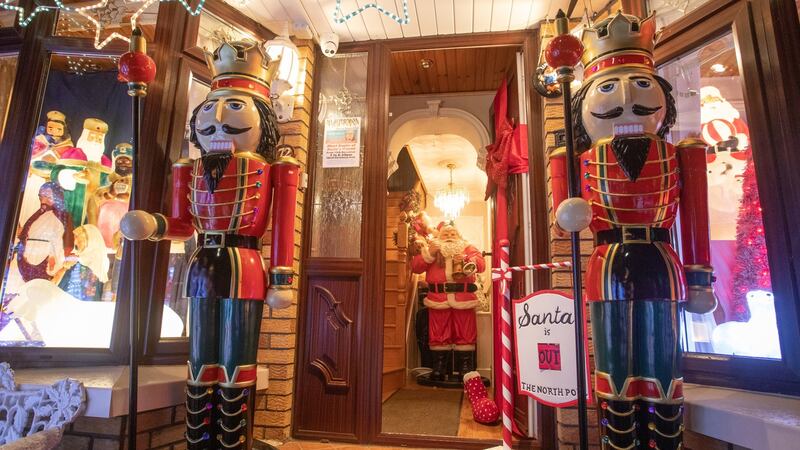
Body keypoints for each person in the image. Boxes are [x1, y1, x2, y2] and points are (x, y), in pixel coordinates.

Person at [119, 39, 298, 450]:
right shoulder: (189, 168)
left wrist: (282, 278)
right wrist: (152, 224)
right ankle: (199, 440)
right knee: (200, 358)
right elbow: (183, 225)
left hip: (245, 266)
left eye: (233, 106)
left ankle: (234, 440)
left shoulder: (276, 169)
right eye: (210, 107)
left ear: (263, 119)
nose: (217, 118)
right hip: (201, 266)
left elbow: (284, 226)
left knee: (237, 359)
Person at [550, 12, 716, 450]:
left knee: (662, 361)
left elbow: (695, 218)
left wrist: (700, 279)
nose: (626, 98)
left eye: (640, 85)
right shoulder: (575, 161)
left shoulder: (681, 154)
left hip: (661, 263)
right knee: (614, 362)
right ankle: (618, 439)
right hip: (607, 264)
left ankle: (664, 438)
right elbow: (562, 220)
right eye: (607, 88)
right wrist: (569, 213)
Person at [411, 222, 485, 380]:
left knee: (465, 332)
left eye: (453, 234)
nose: (449, 236)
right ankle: (439, 367)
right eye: (445, 234)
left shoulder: (467, 247)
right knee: (438, 332)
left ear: (459, 236)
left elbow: (481, 264)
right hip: (438, 299)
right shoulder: (431, 248)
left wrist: (466, 259)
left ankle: (465, 368)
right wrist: (429, 254)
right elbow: (416, 267)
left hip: (463, 299)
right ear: (439, 236)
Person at [15, 182, 72, 282]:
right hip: (26, 267)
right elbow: (25, 234)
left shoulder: (63, 217)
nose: (43, 201)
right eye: (40, 197)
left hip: (47, 267)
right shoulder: (39, 214)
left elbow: (68, 244)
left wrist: (57, 260)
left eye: (47, 197)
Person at [57, 224, 109, 302]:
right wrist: (64, 269)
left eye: (78, 238)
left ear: (90, 240)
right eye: (75, 238)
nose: (75, 242)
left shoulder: (99, 263)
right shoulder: (73, 262)